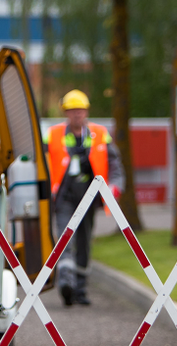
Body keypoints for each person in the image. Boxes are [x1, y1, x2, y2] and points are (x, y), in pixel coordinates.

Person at [45, 89, 124, 306]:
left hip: (90, 196)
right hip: (63, 197)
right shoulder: (52, 134)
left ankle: (80, 289)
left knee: (84, 242)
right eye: (72, 111)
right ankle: (66, 284)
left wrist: (115, 187)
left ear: (86, 112)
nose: (76, 114)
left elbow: (115, 165)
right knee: (64, 239)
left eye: (80, 110)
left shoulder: (100, 133)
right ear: (65, 113)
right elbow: (41, 163)